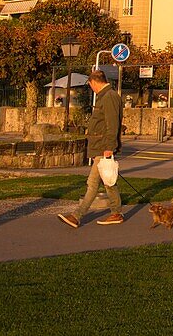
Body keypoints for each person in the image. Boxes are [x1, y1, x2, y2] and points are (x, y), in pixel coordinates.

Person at [58, 70, 123, 227]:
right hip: (100, 147)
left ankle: (77, 215)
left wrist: (109, 147)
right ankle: (116, 213)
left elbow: (112, 124)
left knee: (93, 183)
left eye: (90, 85)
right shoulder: (107, 96)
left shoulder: (109, 97)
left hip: (103, 147)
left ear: (94, 82)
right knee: (108, 181)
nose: (91, 89)